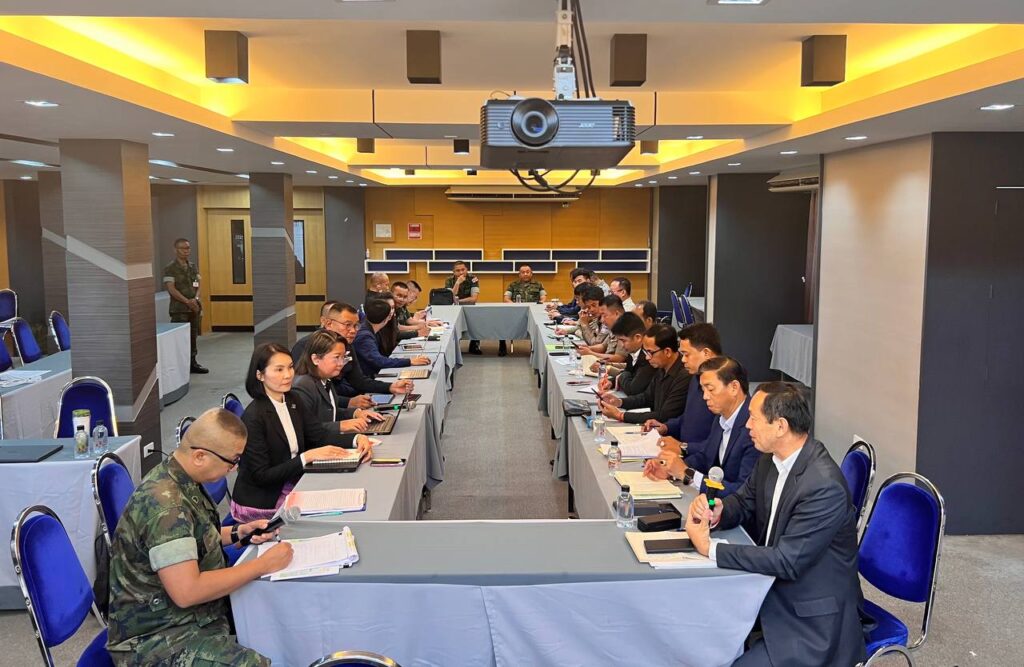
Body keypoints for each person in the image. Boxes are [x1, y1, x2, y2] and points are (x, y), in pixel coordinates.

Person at [685, 382, 865, 667]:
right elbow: (744, 501)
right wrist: (718, 512)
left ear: (780, 426)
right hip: (766, 588)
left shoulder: (823, 486)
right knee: (694, 632)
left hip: (808, 619)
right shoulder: (770, 459)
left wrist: (710, 548)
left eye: (753, 417)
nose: (747, 425)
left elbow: (787, 561)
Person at [106, 408, 293, 665]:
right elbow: (188, 591)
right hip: (159, 639)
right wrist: (262, 565)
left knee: (278, 616)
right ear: (200, 456)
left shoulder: (180, 477)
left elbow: (192, 536)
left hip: (195, 616)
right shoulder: (166, 505)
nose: (233, 469)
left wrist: (239, 532)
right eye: (232, 461)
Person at [231, 343, 372, 521]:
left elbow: (318, 435)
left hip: (291, 479)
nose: (288, 375)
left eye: (290, 367)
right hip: (263, 499)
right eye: (279, 369)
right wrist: (306, 457)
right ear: (260, 375)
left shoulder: (292, 399)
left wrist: (356, 439)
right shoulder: (253, 417)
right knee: (329, 514)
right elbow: (262, 476)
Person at [643, 356, 759, 498]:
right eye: (703, 390)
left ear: (734, 387)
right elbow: (705, 457)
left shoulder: (754, 428)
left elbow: (743, 492)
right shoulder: (720, 417)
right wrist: (671, 468)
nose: (705, 397)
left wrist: (687, 474)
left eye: (710, 389)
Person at [291, 330, 385, 436]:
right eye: (336, 357)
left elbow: (330, 412)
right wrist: (340, 426)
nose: (341, 364)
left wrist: (356, 413)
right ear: (316, 359)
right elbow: (306, 429)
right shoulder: (302, 387)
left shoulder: (325, 379)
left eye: (343, 357)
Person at [642, 322, 720, 448]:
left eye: (686, 354)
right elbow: (688, 418)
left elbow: (717, 445)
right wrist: (666, 427)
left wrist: (682, 448)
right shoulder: (695, 377)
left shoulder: (724, 386)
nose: (683, 360)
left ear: (706, 353)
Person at [326, 302, 415, 407]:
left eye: (356, 325)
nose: (353, 331)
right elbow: (316, 396)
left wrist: (391, 387)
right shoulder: (313, 347)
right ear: (328, 324)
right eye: (347, 325)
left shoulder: (347, 345)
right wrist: (348, 402)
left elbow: (359, 380)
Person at [599, 323, 689, 424]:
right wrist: (619, 402)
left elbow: (664, 415)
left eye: (650, 352)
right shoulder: (662, 366)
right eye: (645, 352)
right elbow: (646, 398)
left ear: (667, 352)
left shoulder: (684, 375)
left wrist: (620, 415)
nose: (647, 357)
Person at [353, 299, 430, 378]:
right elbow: (378, 361)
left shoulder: (370, 329)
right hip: (369, 378)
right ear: (388, 317)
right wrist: (409, 361)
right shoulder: (365, 336)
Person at [163, 238, 207, 374]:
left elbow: (198, 284)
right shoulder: (170, 268)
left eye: (188, 248)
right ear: (175, 250)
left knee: (193, 336)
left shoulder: (193, 266)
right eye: (183, 248)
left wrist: (196, 299)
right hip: (179, 309)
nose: (186, 251)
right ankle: (179, 366)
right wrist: (187, 301)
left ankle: (192, 363)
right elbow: (171, 289)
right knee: (180, 339)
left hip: (194, 308)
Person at [598, 311, 656, 396]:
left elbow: (632, 389)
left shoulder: (648, 357)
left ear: (638, 338)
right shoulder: (633, 351)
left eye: (623, 340)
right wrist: (611, 382)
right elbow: (627, 374)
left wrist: (622, 374)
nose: (621, 345)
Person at [501, 263, 546, 356]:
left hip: (533, 313)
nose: (525, 274)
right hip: (515, 313)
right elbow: (506, 298)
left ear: (531, 273)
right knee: (501, 323)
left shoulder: (538, 284)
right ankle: (502, 346)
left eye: (527, 272)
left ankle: (534, 347)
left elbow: (543, 297)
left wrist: (540, 304)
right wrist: (514, 306)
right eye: (523, 272)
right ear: (519, 274)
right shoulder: (513, 285)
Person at [444, 260, 482, 354]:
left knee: (476, 322)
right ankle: (455, 346)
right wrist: (457, 283)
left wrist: (457, 301)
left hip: (469, 307)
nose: (461, 272)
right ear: (453, 272)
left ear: (466, 269)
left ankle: (474, 345)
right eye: (458, 270)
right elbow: (449, 297)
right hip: (454, 309)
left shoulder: (473, 278)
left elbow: (473, 299)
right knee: (453, 325)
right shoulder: (449, 280)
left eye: (463, 269)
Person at [580, 294, 627, 362]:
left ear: (616, 314)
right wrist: (586, 348)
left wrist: (590, 353)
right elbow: (603, 346)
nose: (602, 320)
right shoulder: (615, 326)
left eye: (604, 315)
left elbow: (619, 358)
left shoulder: (626, 328)